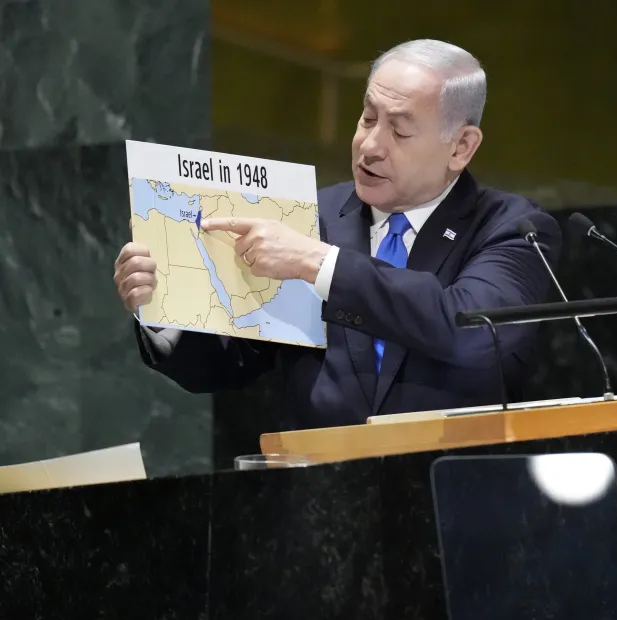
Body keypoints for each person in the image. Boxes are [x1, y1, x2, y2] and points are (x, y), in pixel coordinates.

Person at [112, 39, 562, 429]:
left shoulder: (513, 229)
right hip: (324, 489)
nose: (370, 145)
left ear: (461, 146)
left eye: (400, 130)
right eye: (367, 118)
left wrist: (319, 264)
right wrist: (163, 311)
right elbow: (229, 362)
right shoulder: (309, 214)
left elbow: (472, 329)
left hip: (452, 485)